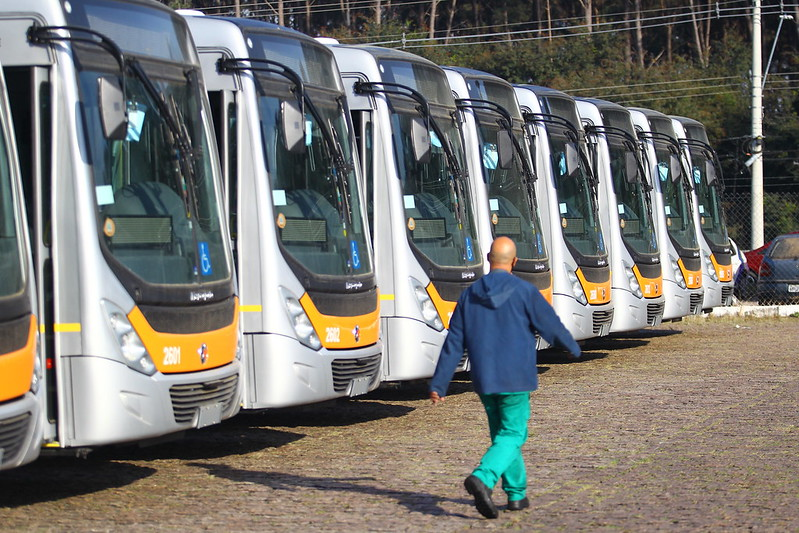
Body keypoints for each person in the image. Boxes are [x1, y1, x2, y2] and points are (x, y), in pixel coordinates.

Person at [429, 236, 581, 519]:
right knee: (513, 434)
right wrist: (571, 347)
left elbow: (454, 341)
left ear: (488, 258)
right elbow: (549, 325)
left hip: (485, 379)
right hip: (516, 378)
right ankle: (483, 478)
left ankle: (516, 494)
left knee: (503, 436)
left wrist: (440, 383)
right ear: (515, 261)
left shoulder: (470, 295)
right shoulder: (525, 291)